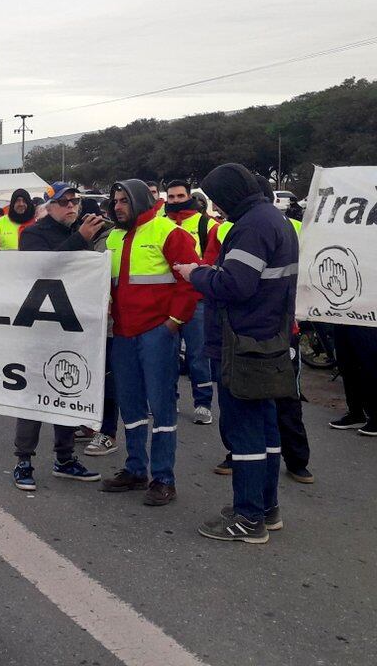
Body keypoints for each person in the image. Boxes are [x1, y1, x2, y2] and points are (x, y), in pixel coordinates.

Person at [174, 163, 299, 544]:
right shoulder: (272, 220)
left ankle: (248, 519)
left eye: (216, 198)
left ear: (228, 193)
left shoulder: (250, 227)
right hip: (269, 339)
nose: (216, 207)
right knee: (266, 429)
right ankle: (266, 507)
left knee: (244, 433)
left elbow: (236, 284)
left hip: (242, 342)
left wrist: (195, 273)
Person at [101, 179, 199, 506]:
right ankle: (135, 468)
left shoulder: (169, 233)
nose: (117, 207)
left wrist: (173, 323)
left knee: (161, 406)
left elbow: (190, 282)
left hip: (157, 333)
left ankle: (163, 478)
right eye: (115, 201)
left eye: (124, 201)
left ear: (140, 200)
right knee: (130, 406)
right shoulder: (113, 237)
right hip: (123, 335)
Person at [10, 183, 106, 489]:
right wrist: (81, 239)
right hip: (40, 325)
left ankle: (64, 458)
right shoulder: (34, 233)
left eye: (75, 201)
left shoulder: (78, 230)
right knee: (35, 394)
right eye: (64, 202)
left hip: (72, 323)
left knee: (67, 390)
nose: (71, 206)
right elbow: (42, 268)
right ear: (49, 207)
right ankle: (23, 460)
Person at [165, 179, 217, 425]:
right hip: (168, 300)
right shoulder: (162, 224)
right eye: (171, 197)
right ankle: (170, 398)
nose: (175, 201)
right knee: (169, 353)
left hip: (198, 300)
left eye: (179, 196)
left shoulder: (206, 223)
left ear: (189, 196)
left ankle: (203, 403)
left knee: (198, 354)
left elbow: (213, 260)